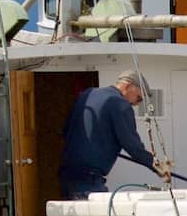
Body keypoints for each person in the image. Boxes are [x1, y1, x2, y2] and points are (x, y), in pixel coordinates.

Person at [59, 70, 166, 200]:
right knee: (101, 213)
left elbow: (66, 130)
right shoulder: (120, 104)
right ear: (128, 86)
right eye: (139, 98)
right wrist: (157, 166)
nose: (136, 104)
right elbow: (133, 147)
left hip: (66, 176)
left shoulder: (87, 94)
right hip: (88, 180)